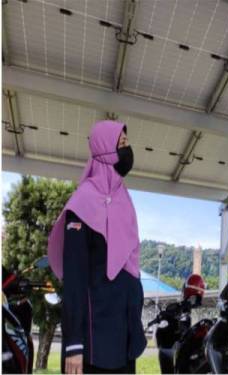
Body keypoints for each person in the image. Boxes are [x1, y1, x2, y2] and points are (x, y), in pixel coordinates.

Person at [47, 120, 146, 374]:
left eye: (127, 143)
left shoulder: (124, 200)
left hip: (124, 341)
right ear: (104, 149)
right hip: (94, 348)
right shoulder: (82, 203)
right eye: (121, 144)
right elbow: (75, 281)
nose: (128, 149)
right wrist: (74, 346)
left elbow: (131, 270)